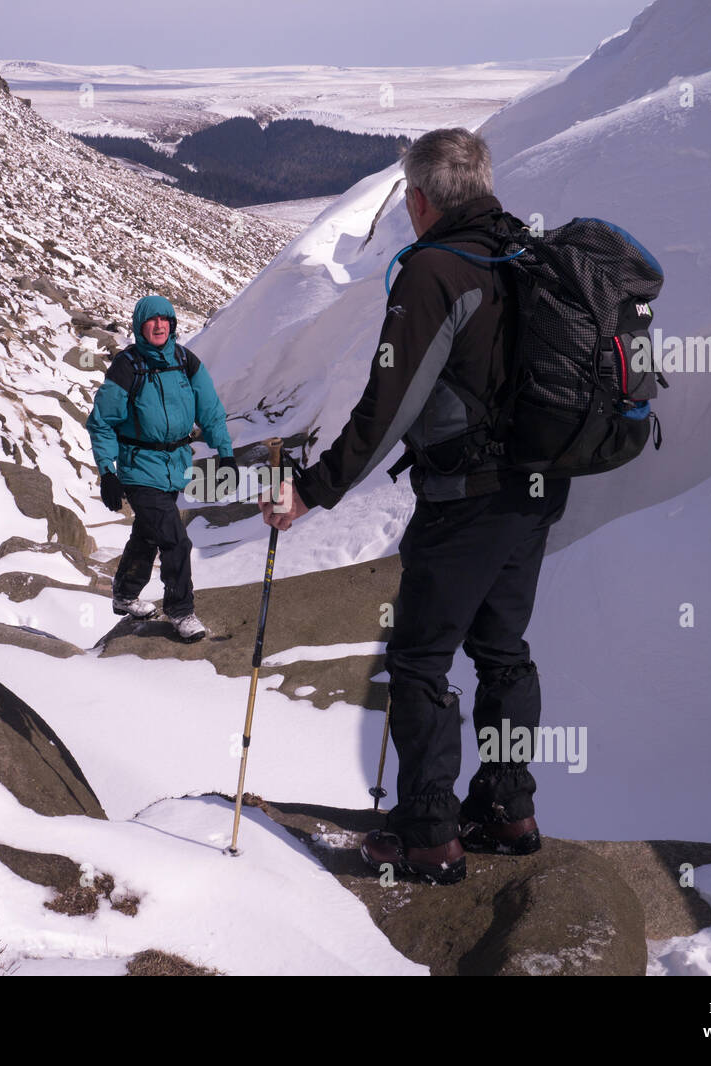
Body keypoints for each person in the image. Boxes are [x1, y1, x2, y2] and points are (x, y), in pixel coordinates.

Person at [258, 128, 570, 884]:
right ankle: (507, 809)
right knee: (503, 653)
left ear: (422, 199)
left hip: (466, 497)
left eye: (410, 198)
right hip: (536, 490)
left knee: (419, 659)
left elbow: (388, 403)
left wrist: (313, 487)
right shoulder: (527, 252)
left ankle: (428, 834)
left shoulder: (434, 269)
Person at [87, 294, 237, 643]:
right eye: (151, 320)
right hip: (139, 468)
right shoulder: (127, 366)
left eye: (164, 319)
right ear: (140, 326)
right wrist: (107, 471)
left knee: (148, 533)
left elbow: (211, 410)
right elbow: (102, 422)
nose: (159, 325)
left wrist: (225, 452)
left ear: (172, 324)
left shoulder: (185, 361)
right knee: (175, 540)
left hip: (175, 465)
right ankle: (180, 610)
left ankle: (125, 594)